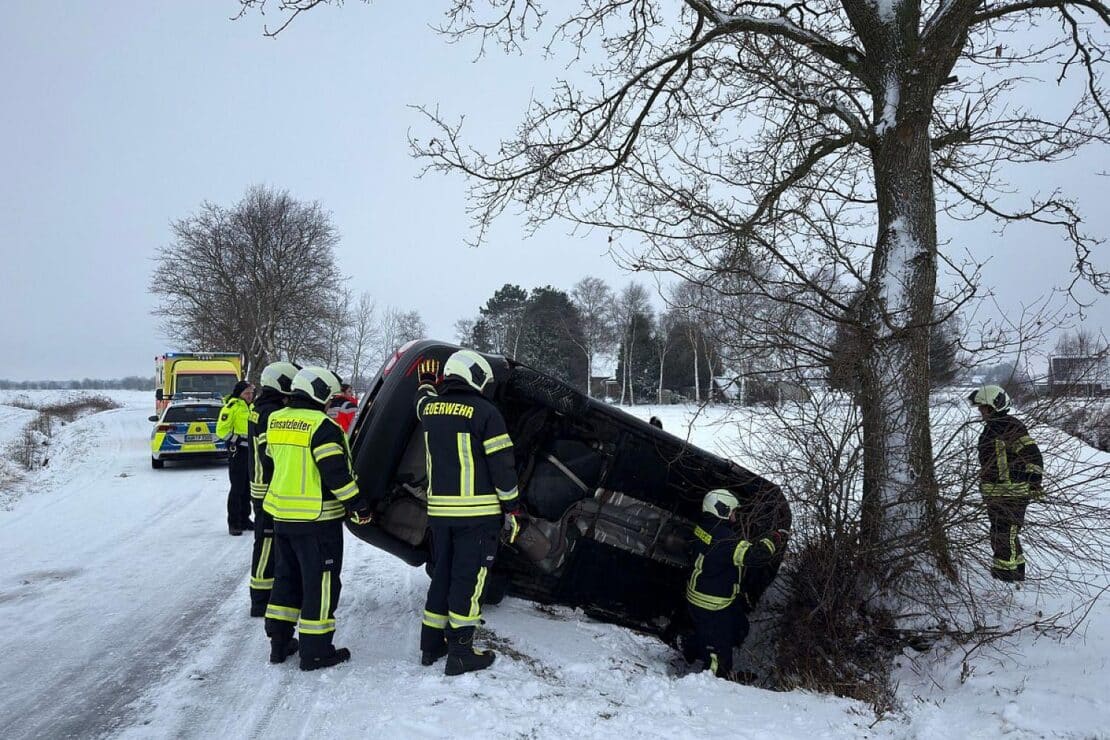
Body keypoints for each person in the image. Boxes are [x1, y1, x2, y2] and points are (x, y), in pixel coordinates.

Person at [415, 350, 524, 676]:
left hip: (440, 515)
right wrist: (513, 508)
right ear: (475, 376)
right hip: (476, 516)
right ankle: (461, 653)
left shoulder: (430, 409)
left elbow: (420, 402)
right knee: (469, 580)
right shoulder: (485, 413)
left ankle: (431, 645)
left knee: (444, 576)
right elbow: (502, 466)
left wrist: (424, 384)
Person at [263, 366, 373, 670]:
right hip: (316, 520)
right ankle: (316, 650)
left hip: (282, 516)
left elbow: (270, 460)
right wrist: (358, 505)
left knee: (286, 579)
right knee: (320, 583)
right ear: (321, 393)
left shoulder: (276, 420)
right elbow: (335, 474)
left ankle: (279, 643)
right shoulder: (323, 427)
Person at [684, 489, 784, 679]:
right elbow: (756, 556)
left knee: (739, 627)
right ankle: (713, 678)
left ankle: (692, 647)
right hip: (713, 604)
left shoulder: (703, 527)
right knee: (719, 651)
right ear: (720, 509)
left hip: (702, 597)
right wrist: (773, 539)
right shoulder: (726, 540)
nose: (735, 516)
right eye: (732, 511)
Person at [968, 384, 1044, 582]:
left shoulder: (1010, 427)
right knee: (1001, 532)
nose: (980, 412)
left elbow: (1033, 456)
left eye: (983, 408)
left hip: (1013, 493)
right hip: (996, 493)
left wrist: (1034, 483)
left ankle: (1005, 576)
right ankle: (1015, 571)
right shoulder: (991, 428)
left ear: (994, 406)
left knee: (1005, 533)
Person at [245, 361, 300, 617]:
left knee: (266, 541)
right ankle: (260, 599)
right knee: (266, 542)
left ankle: (264, 594)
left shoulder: (261, 407)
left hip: (261, 485)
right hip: (267, 487)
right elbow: (271, 454)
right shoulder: (270, 413)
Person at [217, 379, 255, 536]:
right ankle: (234, 523)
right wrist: (236, 439)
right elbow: (221, 430)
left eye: (251, 393)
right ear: (239, 393)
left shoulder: (251, 407)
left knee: (248, 488)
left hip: (251, 451)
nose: (249, 396)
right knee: (237, 488)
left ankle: (245, 519)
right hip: (237, 451)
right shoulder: (231, 407)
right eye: (246, 393)